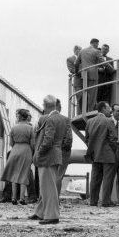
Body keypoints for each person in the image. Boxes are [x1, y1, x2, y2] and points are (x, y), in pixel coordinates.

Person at [28, 95, 66, 224]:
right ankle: (41, 212)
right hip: (56, 154)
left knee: (48, 188)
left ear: (44, 106)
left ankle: (52, 215)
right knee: (47, 186)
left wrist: (39, 153)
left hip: (47, 156)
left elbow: (48, 140)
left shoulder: (49, 119)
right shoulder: (62, 118)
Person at [84, 101, 119, 207]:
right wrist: (113, 150)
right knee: (108, 179)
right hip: (108, 154)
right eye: (108, 108)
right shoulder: (109, 121)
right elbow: (113, 138)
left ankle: (93, 201)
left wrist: (93, 148)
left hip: (95, 154)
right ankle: (106, 201)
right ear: (103, 108)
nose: (110, 110)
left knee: (95, 179)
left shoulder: (90, 121)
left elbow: (87, 139)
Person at [0, 109, 35, 204]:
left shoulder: (13, 128)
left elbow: (11, 143)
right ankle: (22, 198)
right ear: (26, 117)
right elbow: (33, 143)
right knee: (24, 174)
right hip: (26, 150)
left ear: (19, 117)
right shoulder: (30, 128)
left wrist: (16, 146)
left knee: (14, 175)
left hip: (15, 150)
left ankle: (13, 198)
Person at [75, 39, 104, 113]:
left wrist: (76, 72)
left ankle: (83, 111)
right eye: (97, 44)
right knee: (92, 95)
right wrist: (111, 69)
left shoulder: (82, 51)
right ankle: (90, 111)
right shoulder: (96, 51)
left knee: (85, 94)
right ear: (95, 43)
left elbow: (76, 63)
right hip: (93, 76)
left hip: (84, 76)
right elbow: (103, 62)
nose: (97, 46)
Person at [54, 98, 74, 195]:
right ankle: (55, 199)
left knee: (49, 176)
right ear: (58, 106)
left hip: (49, 150)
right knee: (59, 176)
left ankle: (45, 199)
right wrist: (66, 149)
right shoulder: (65, 120)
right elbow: (69, 137)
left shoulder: (44, 119)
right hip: (62, 150)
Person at [67, 45, 82, 114]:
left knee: (86, 98)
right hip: (78, 81)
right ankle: (79, 114)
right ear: (75, 50)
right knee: (80, 97)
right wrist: (81, 72)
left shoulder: (83, 58)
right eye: (80, 50)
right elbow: (71, 69)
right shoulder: (70, 59)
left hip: (86, 81)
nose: (81, 51)